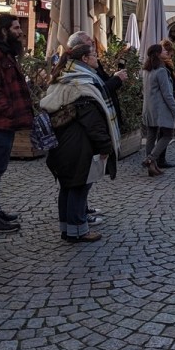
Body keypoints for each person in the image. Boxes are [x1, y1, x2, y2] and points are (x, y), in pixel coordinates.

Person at [40, 42, 119, 242]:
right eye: (94, 55)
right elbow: (92, 121)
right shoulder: (81, 84)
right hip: (77, 144)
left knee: (68, 185)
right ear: (84, 59)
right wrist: (105, 146)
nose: (97, 59)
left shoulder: (63, 78)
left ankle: (67, 228)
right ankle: (78, 231)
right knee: (78, 186)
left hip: (62, 143)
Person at [0, 14, 32, 234]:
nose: (20, 32)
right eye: (17, 28)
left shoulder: (5, 53)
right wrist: (10, 112)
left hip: (6, 123)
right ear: (4, 31)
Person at [141, 43, 175, 176]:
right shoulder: (161, 70)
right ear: (158, 54)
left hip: (148, 107)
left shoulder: (146, 69)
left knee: (151, 136)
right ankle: (150, 159)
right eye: (163, 50)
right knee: (168, 134)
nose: (166, 52)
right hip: (160, 109)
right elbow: (167, 94)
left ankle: (152, 166)